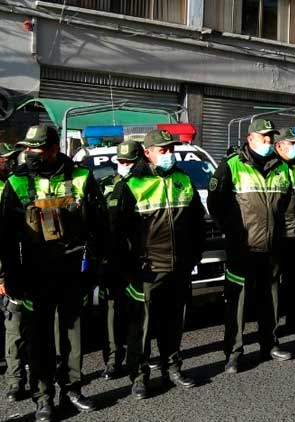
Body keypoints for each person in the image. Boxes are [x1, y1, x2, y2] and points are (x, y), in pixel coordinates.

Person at [0, 125, 107, 421]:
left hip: (72, 271)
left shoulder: (82, 177)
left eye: (36, 149)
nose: (30, 154)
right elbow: (5, 237)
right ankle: (43, 397)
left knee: (73, 334)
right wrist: (8, 277)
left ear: (53, 150)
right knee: (41, 338)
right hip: (34, 273)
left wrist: (95, 269)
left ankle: (72, 389)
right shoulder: (17, 183)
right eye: (27, 149)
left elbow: (99, 228)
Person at [111, 129, 205, 399]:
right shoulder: (131, 184)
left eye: (171, 149)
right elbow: (117, 231)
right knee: (141, 326)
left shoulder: (182, 178)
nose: (169, 154)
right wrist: (128, 269)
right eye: (163, 150)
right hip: (146, 269)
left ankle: (172, 367)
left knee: (174, 321)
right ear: (148, 152)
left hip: (178, 266)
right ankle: (139, 377)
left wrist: (194, 255)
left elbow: (197, 221)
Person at [207, 119, 293, 375]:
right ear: (250, 139)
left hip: (272, 245)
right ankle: (234, 352)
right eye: (264, 138)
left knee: (271, 298)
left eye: (271, 139)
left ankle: (270, 344)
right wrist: (232, 231)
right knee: (238, 302)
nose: (269, 143)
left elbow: (287, 204)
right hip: (242, 247)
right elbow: (216, 204)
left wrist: (284, 235)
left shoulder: (281, 167)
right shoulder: (231, 166)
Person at [99, 141, 143, 380]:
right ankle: (114, 359)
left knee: (138, 311)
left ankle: (139, 358)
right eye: (121, 162)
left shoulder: (146, 184)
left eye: (129, 162)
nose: (124, 166)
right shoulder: (106, 185)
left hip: (139, 259)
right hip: (112, 259)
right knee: (112, 310)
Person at [0, 143, 30, 403]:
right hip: (8, 270)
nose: (10, 162)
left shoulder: (16, 183)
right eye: (5, 158)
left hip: (29, 266)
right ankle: (15, 380)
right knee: (15, 328)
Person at [276, 129, 295, 334]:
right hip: (278, 234)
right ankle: (273, 326)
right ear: (279, 146)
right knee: (274, 283)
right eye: (291, 143)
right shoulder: (272, 167)